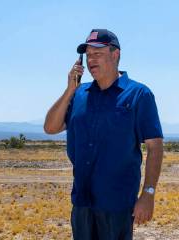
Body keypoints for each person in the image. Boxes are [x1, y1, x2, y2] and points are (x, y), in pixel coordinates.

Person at [44, 29, 163, 240]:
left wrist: (148, 194)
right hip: (82, 203)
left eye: (97, 54)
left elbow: (155, 147)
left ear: (115, 54)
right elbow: (50, 127)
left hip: (117, 205)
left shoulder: (139, 94)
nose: (91, 60)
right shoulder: (79, 94)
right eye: (88, 55)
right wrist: (70, 89)